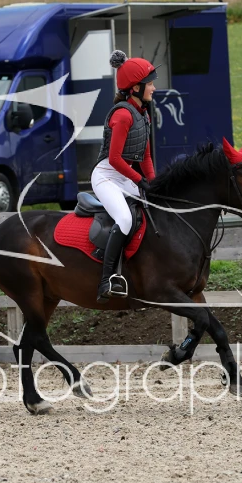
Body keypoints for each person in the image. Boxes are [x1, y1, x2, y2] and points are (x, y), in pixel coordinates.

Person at [91, 50, 157, 303]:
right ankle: (106, 280)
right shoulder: (122, 115)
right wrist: (140, 181)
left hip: (124, 175)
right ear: (136, 88)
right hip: (106, 176)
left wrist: (154, 184)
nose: (153, 88)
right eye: (150, 84)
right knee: (126, 219)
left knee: (151, 209)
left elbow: (146, 157)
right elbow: (115, 159)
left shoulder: (143, 114)